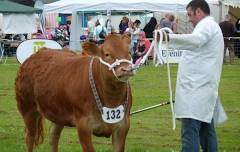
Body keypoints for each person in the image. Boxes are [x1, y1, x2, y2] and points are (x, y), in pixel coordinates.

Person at [162, 0, 226, 151]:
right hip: (201, 91)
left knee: (190, 133)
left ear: (199, 12)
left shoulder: (207, 25)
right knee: (206, 133)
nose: (189, 19)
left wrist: (169, 38)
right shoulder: (210, 26)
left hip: (196, 92)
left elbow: (196, 41)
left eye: (190, 15)